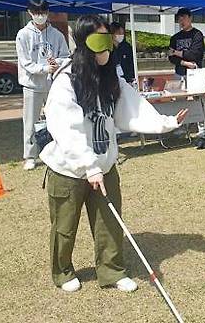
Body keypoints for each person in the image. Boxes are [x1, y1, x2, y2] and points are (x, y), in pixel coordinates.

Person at [40, 15, 187, 293]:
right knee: (64, 225)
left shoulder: (111, 78)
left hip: (104, 164)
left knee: (109, 221)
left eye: (108, 40)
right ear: (84, 44)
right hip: (68, 169)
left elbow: (132, 108)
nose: (106, 48)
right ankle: (62, 271)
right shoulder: (66, 80)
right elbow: (66, 128)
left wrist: (166, 123)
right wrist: (87, 166)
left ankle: (111, 270)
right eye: (99, 41)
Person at [16, 0, 69, 171]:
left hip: (53, 83)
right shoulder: (23, 34)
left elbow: (65, 55)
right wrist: (44, 68)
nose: (41, 16)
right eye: (37, 13)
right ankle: (30, 155)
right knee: (30, 120)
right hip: (32, 84)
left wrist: (57, 63)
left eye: (44, 13)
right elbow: (25, 62)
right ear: (30, 13)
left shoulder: (56, 34)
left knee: (57, 118)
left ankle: (59, 149)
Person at [168, 8, 205, 80]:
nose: (182, 21)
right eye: (179, 19)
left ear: (190, 18)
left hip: (195, 73)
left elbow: (194, 55)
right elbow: (171, 58)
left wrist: (175, 52)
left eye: (184, 18)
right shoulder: (175, 37)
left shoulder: (197, 34)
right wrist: (186, 63)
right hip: (179, 74)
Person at [108, 21, 135, 85]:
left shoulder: (126, 47)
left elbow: (131, 62)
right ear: (112, 34)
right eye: (119, 33)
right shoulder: (107, 47)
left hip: (127, 79)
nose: (121, 35)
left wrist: (131, 77)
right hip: (112, 80)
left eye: (122, 33)